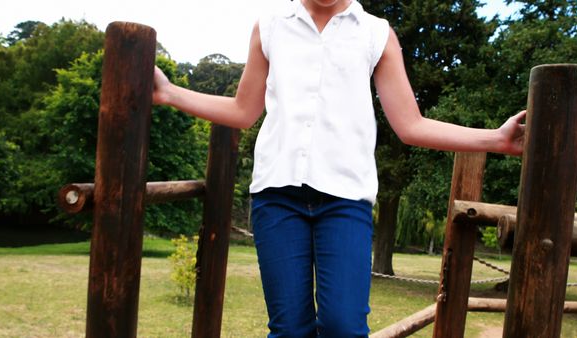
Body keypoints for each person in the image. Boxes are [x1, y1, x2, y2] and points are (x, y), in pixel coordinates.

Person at [152, 0, 526, 336]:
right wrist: (170, 93)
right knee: (289, 330)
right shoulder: (270, 26)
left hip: (345, 201)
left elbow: (410, 125)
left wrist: (496, 139)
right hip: (277, 197)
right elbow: (242, 111)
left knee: (344, 326)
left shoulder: (375, 33)